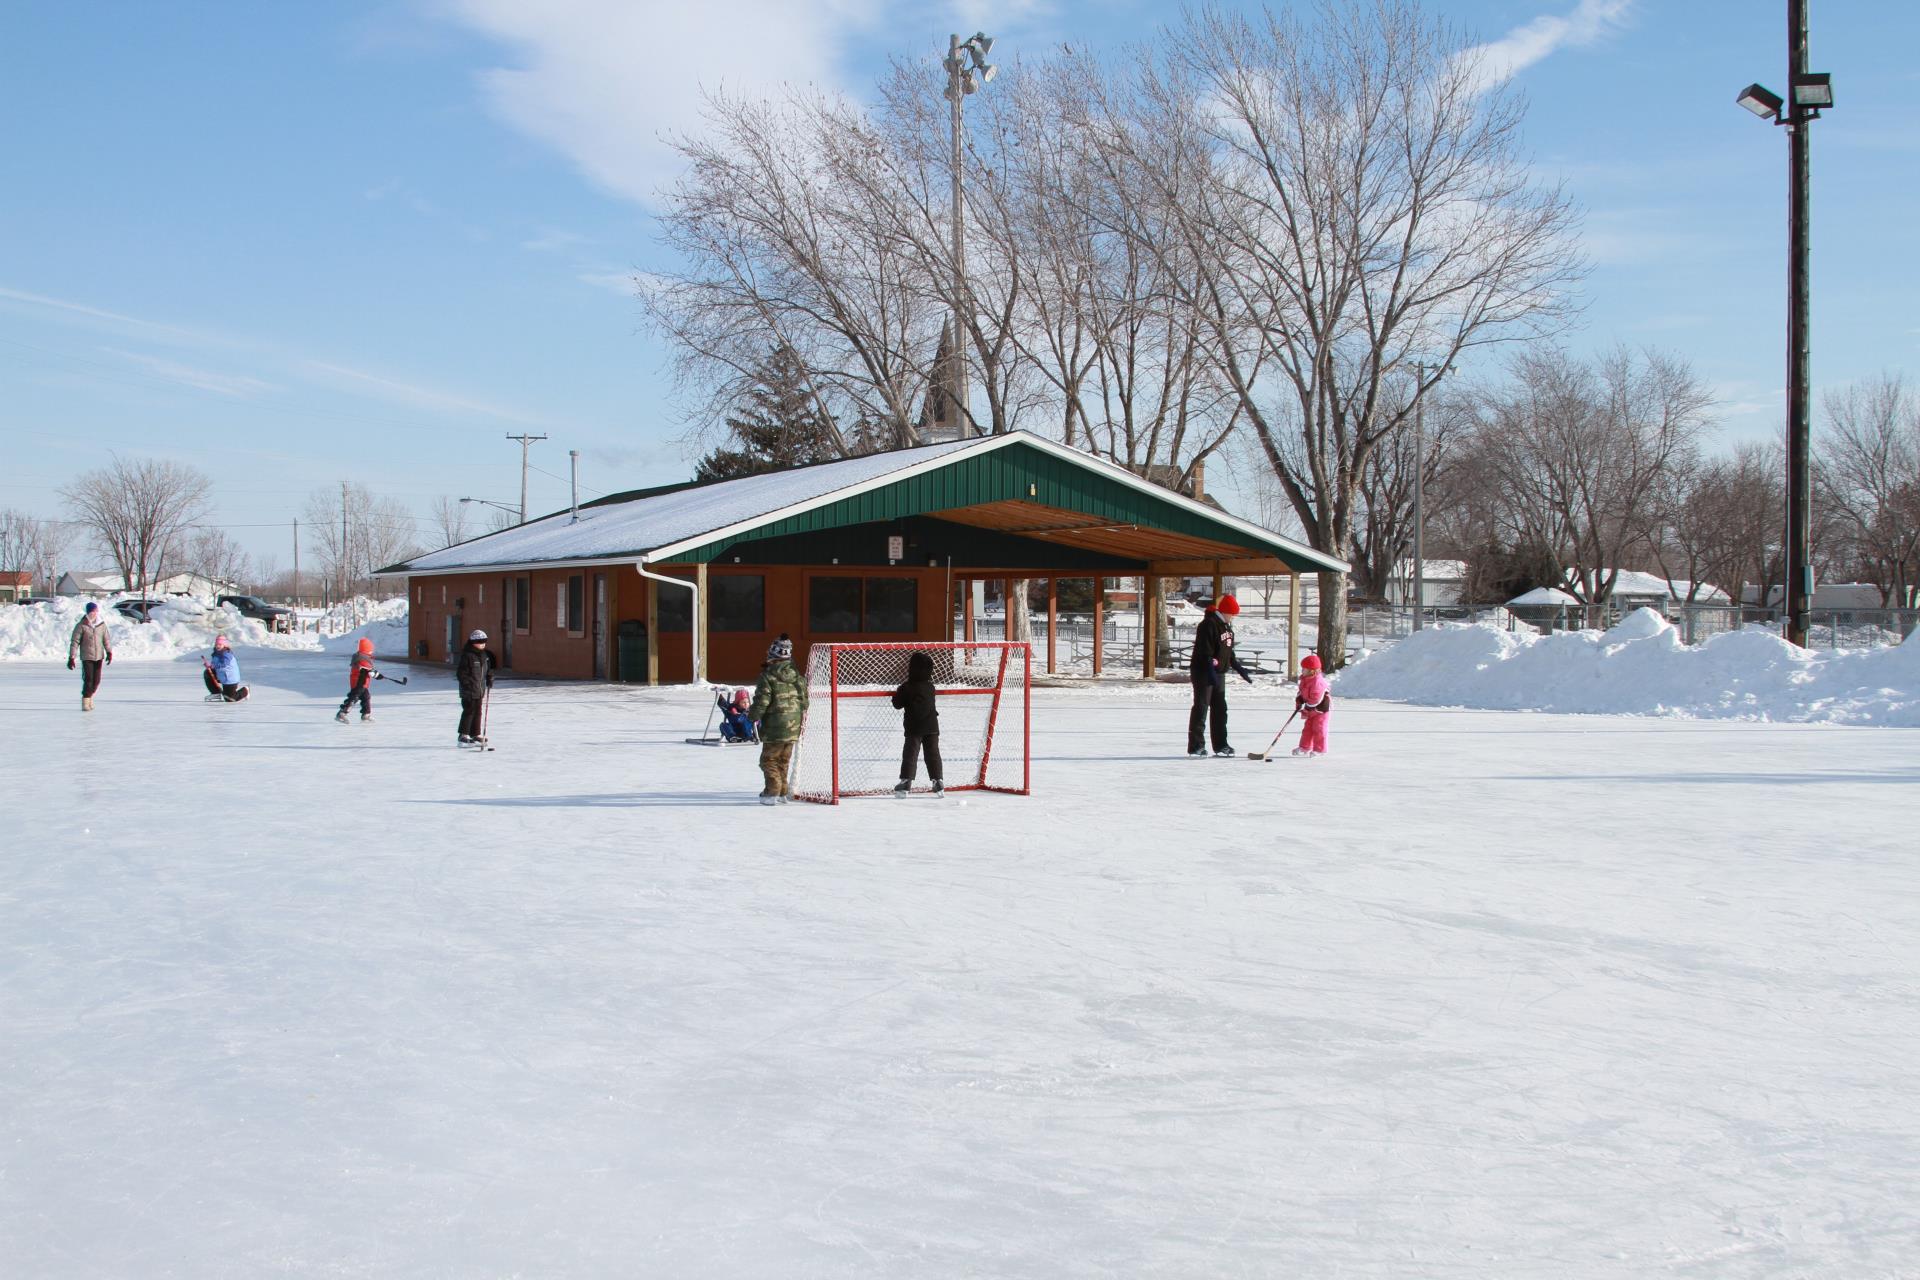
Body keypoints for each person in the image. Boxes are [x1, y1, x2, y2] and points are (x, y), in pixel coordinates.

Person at [1188, 593, 1252, 757]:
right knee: (1202, 707)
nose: (1233, 618)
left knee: (1220, 709)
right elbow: (1205, 652)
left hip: (1218, 673)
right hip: (1203, 672)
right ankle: (1196, 746)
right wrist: (1210, 672)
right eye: (1232, 614)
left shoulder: (1226, 627)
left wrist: (1240, 669)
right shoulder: (1208, 625)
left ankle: (1221, 745)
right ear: (1224, 611)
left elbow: (1228, 653)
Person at [748, 633, 808, 805]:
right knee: (783, 760)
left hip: (775, 726)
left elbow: (762, 701)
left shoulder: (768, 676)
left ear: (773, 656)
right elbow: (805, 701)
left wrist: (752, 717)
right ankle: (782, 792)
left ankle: (772, 791)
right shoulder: (798, 677)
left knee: (768, 760)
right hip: (794, 725)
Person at [890, 650, 944, 797]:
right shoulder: (930, 687)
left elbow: (897, 704)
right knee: (933, 754)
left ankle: (905, 782)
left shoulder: (907, 687)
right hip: (932, 726)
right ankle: (938, 780)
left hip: (914, 728)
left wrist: (897, 694)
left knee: (910, 754)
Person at [67, 601, 113, 711]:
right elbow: (75, 642)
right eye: (91, 612)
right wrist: (71, 657)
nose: (94, 614)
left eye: (95, 611)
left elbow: (106, 640)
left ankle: (90, 697)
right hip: (87, 656)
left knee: (96, 681)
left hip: (98, 656)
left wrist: (109, 652)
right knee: (88, 679)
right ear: (87, 613)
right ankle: (85, 701)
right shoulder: (81, 625)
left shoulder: (101, 625)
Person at [455, 629, 496, 745]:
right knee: (469, 711)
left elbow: (488, 670)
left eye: (484, 642)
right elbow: (461, 673)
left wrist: (490, 677)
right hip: (469, 691)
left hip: (479, 690)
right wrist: (467, 684)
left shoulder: (484, 655)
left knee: (478, 712)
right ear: (473, 642)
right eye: (480, 642)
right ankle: (463, 735)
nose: (483, 644)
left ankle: (475, 734)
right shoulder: (467, 656)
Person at [1292, 654, 1332, 757]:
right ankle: (1304, 747)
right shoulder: (1305, 679)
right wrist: (1299, 700)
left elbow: (1316, 699)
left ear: (1312, 670)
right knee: (1308, 728)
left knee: (1319, 728)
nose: (1302, 671)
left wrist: (1307, 708)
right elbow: (1301, 692)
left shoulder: (1317, 682)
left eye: (1304, 669)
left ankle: (1320, 749)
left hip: (1321, 709)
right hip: (1311, 709)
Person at [336, 637, 379, 723]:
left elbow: (369, 669)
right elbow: (367, 669)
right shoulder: (361, 658)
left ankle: (366, 714)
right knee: (353, 698)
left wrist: (375, 673)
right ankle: (342, 713)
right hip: (358, 683)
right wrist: (376, 674)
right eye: (370, 650)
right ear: (366, 649)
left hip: (363, 683)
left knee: (366, 697)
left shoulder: (364, 657)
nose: (371, 651)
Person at [202, 635, 249, 702]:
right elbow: (214, 664)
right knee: (207, 673)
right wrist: (209, 666)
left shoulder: (227, 654)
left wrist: (213, 666)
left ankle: (245, 691)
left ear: (225, 645)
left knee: (230, 699)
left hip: (229, 679)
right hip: (221, 676)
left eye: (220, 644)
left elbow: (224, 664)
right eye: (216, 644)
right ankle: (216, 694)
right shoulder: (216, 654)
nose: (218, 646)